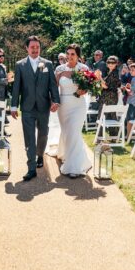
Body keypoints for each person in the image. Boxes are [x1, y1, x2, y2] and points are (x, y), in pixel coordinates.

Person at [10, 35, 60, 181]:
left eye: (37, 47)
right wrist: (13, 106)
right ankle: (31, 168)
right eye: (32, 47)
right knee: (29, 138)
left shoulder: (48, 64)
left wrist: (55, 100)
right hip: (27, 107)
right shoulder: (20, 65)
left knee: (43, 134)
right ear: (26, 48)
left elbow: (52, 84)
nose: (35, 49)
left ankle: (40, 155)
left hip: (44, 106)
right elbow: (16, 87)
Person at [53, 44, 92, 177]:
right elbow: (54, 87)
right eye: (68, 54)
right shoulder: (59, 69)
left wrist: (84, 90)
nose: (69, 57)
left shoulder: (84, 68)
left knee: (74, 132)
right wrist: (54, 102)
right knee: (67, 132)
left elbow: (89, 86)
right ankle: (66, 154)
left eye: (73, 54)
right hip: (63, 105)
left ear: (78, 56)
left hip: (78, 105)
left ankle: (74, 167)